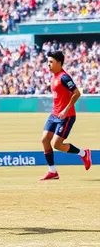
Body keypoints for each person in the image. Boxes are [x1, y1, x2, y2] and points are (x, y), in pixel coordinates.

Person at [39, 50, 92, 181]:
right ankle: (52, 172)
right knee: (45, 140)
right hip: (54, 115)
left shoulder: (64, 77)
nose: (48, 64)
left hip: (66, 116)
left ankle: (84, 153)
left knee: (57, 144)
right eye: (48, 62)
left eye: (51, 62)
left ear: (59, 62)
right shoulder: (54, 77)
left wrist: (65, 110)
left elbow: (77, 93)